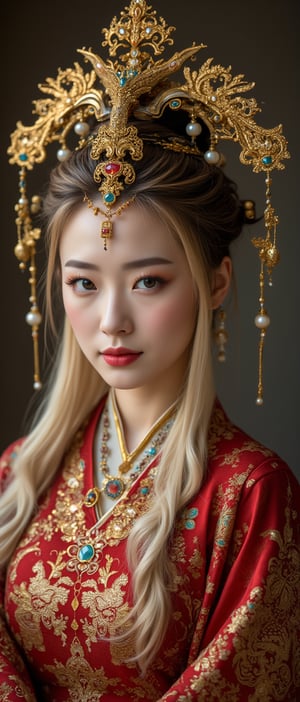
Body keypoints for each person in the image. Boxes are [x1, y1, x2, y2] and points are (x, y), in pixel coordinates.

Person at [1, 2, 299, 700]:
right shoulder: (19, 474)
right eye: (82, 282)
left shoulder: (250, 494)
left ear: (216, 282)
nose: (111, 321)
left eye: (149, 282)